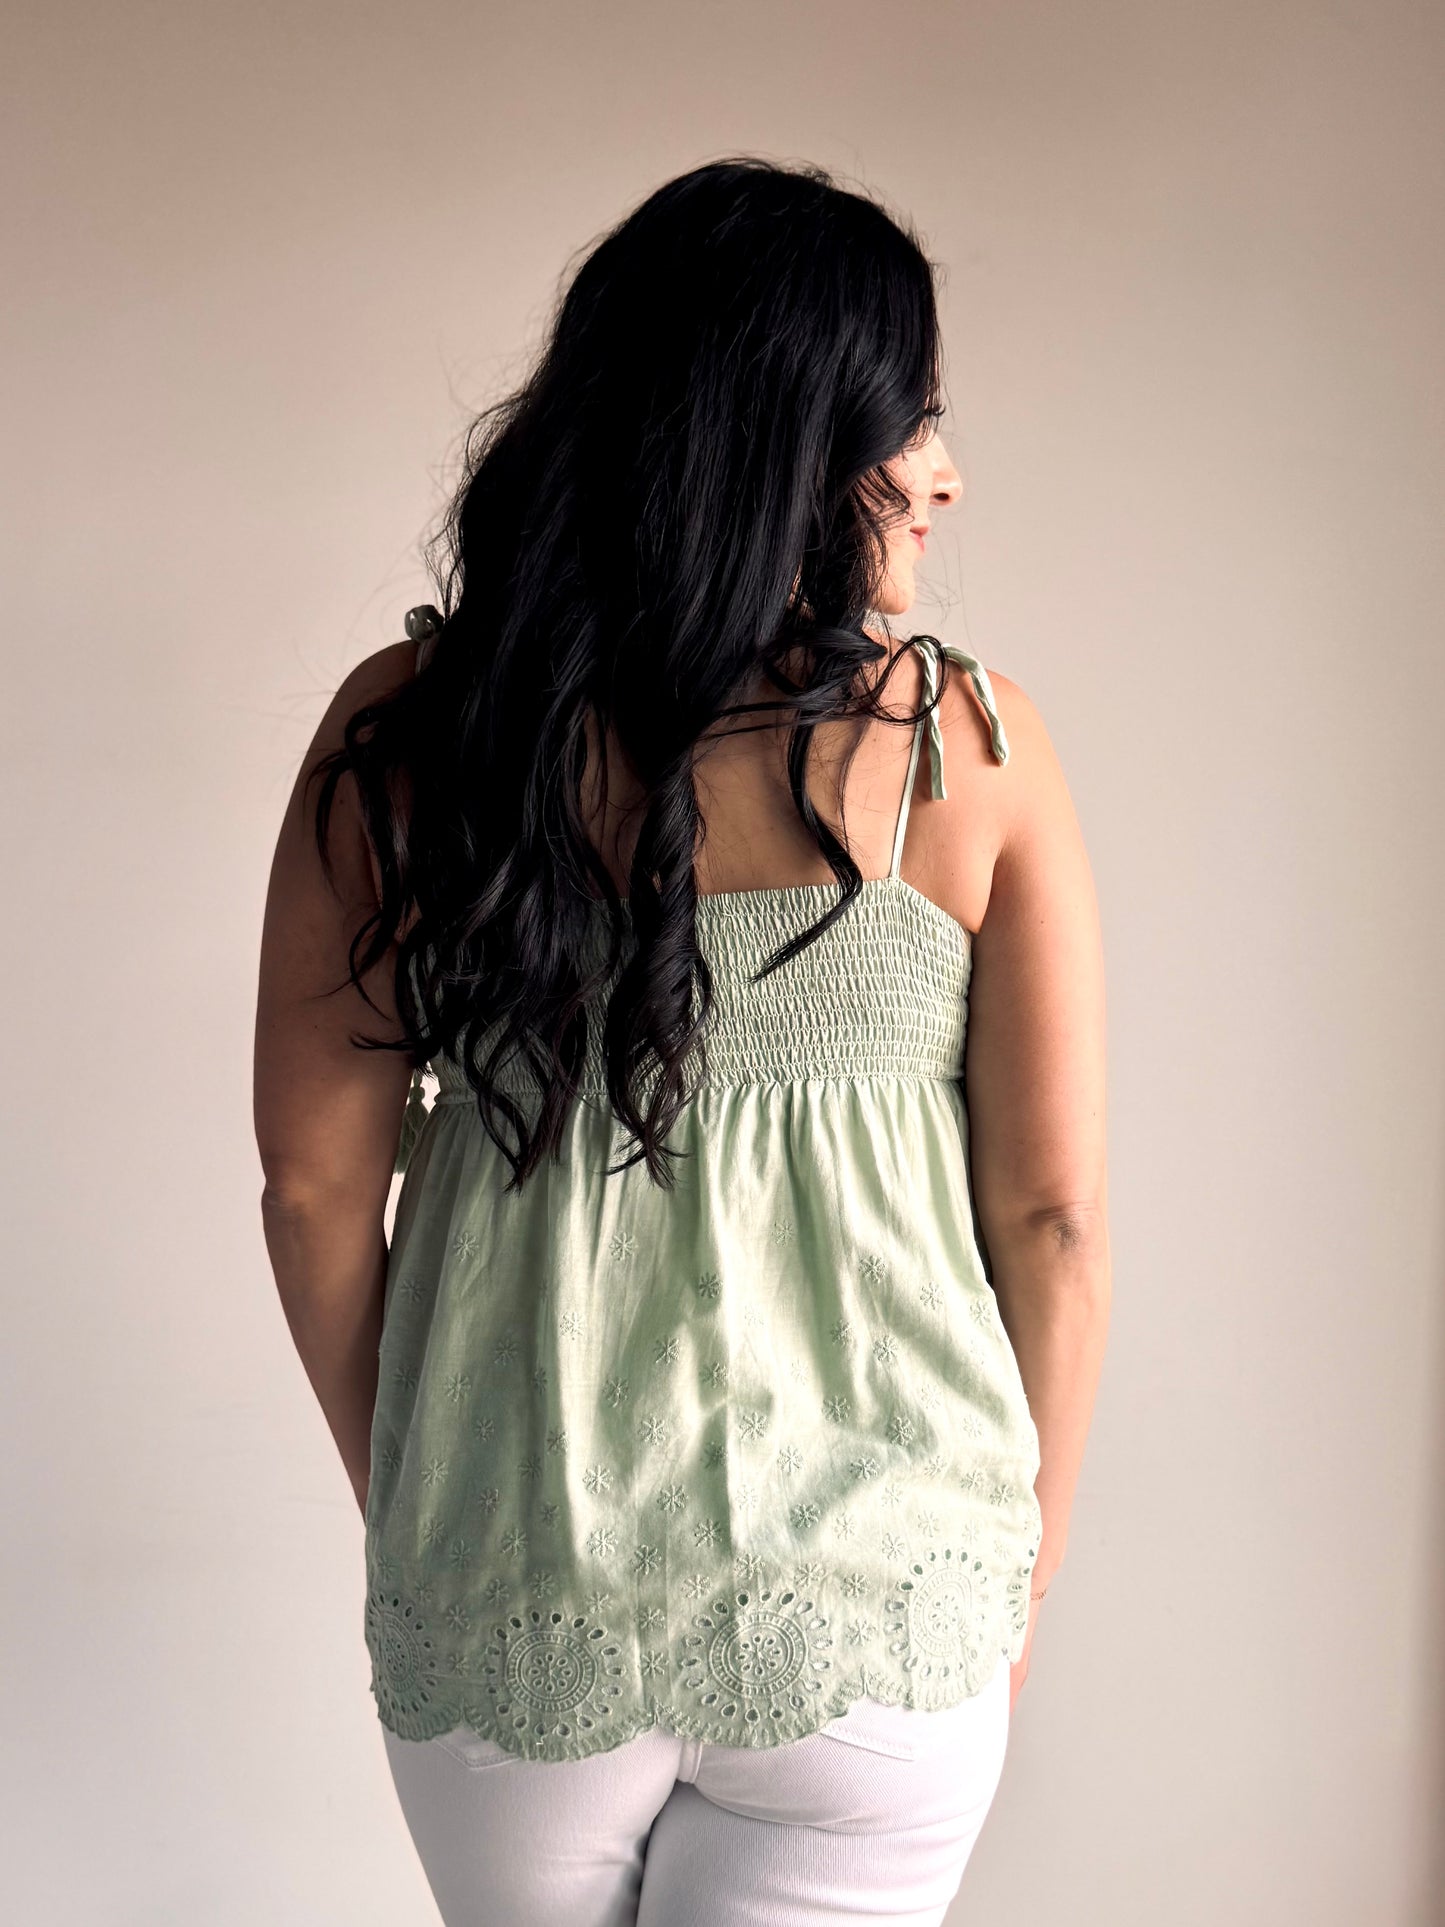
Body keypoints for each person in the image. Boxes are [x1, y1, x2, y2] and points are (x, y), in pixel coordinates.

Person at [255, 156, 1111, 1927]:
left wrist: (418, 1494)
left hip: (511, 1580)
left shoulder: (417, 738)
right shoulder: (968, 751)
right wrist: (1013, 1579)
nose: (943, 470)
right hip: (879, 1598)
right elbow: (1052, 1221)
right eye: (910, 419)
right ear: (792, 446)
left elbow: (311, 1189)